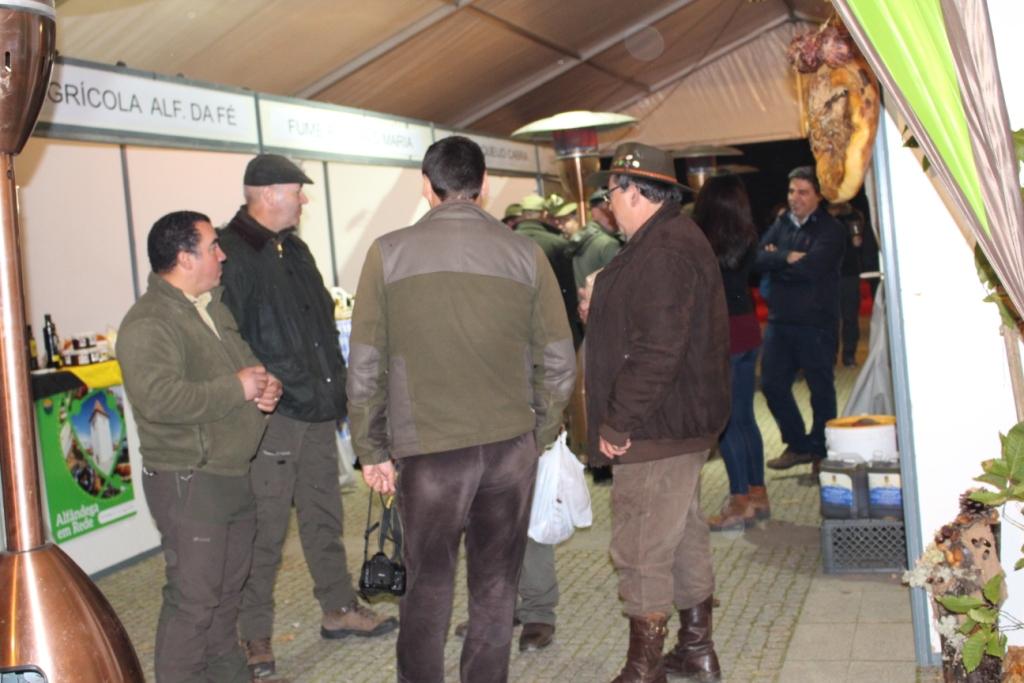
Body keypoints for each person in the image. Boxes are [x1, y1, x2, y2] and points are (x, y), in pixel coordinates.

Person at [347, 135, 575, 683]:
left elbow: (366, 364)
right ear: (484, 185)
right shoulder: (526, 254)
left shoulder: (388, 253)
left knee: (426, 587)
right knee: (496, 587)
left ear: (426, 186)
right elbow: (559, 361)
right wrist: (538, 433)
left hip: (428, 453)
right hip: (509, 447)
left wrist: (371, 448)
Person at [218, 154, 396, 680]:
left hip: (317, 410)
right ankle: (253, 635)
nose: (304, 199)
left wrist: (337, 388)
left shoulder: (293, 249)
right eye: (298, 190)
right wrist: (268, 387)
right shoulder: (231, 254)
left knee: (324, 517)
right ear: (268, 193)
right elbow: (228, 340)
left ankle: (338, 608)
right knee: (264, 530)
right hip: (271, 416)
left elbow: (319, 323)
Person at [585, 142, 730, 683]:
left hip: (656, 424)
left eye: (611, 193)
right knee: (682, 536)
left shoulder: (663, 248)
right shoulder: (665, 239)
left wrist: (619, 420)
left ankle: (644, 667)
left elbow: (658, 347)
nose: (608, 205)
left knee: (641, 544)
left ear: (632, 191)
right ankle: (696, 649)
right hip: (677, 421)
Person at [117, 210, 282, 683]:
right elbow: (158, 399)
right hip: (189, 479)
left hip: (231, 473)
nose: (222, 255)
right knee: (194, 602)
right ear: (185, 258)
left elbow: (248, 369)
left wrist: (267, 387)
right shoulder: (148, 323)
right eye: (213, 246)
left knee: (226, 598)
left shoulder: (212, 307)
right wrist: (237, 388)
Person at [692, 174, 769, 531]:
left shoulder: (702, 241)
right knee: (746, 417)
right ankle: (757, 493)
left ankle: (739, 502)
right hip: (747, 327)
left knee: (727, 423)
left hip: (721, 332)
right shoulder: (748, 237)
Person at [757, 166, 846, 471]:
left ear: (819, 196)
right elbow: (756, 258)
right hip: (780, 321)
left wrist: (776, 262)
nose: (795, 198)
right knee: (771, 385)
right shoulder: (782, 223)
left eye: (803, 192)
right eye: (792, 191)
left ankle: (821, 451)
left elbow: (812, 269)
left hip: (816, 323)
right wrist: (784, 257)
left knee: (821, 390)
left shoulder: (831, 230)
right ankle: (798, 444)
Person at [828, 201, 866, 366]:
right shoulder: (822, 215)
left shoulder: (853, 215)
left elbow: (858, 239)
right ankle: (830, 354)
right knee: (830, 318)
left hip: (849, 272)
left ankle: (849, 354)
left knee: (850, 316)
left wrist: (857, 239)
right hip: (828, 274)